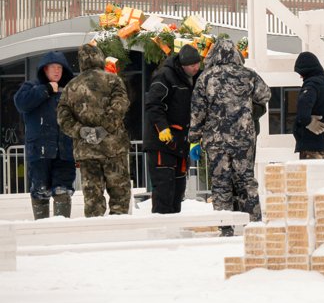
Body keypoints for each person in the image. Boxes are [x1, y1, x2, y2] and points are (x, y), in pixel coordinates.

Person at [189, 39, 270, 235]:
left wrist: (194, 137)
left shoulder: (206, 77)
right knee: (246, 180)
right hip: (244, 138)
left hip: (216, 141)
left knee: (221, 182)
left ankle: (225, 227)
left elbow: (198, 110)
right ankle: (254, 224)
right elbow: (265, 95)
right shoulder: (249, 75)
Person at [57, 44, 132, 217]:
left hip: (86, 151)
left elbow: (63, 118)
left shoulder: (71, 87)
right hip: (114, 149)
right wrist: (104, 129)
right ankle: (120, 233)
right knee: (120, 196)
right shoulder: (113, 80)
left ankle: (95, 234)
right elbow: (120, 105)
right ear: (100, 57)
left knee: (93, 199)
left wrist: (82, 131)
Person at [13, 51, 76, 219]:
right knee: (40, 191)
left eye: (60, 67)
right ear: (44, 69)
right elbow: (21, 103)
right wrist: (46, 89)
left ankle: (60, 232)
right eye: (53, 67)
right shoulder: (31, 86)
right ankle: (41, 231)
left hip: (65, 150)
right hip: (39, 151)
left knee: (63, 190)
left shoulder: (70, 90)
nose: (57, 71)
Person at [144, 44, 201, 214]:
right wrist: (162, 128)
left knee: (178, 191)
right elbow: (153, 104)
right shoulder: (164, 77)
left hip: (179, 143)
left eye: (197, 64)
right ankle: (162, 231)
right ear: (183, 65)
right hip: (162, 143)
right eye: (192, 65)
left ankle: (174, 230)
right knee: (164, 189)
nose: (196, 68)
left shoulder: (195, 79)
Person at [293, 51, 324, 159]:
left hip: (311, 142)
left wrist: (307, 122)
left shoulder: (312, 85)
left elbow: (303, 109)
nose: (300, 77)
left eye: (301, 73)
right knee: (323, 175)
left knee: (311, 175)